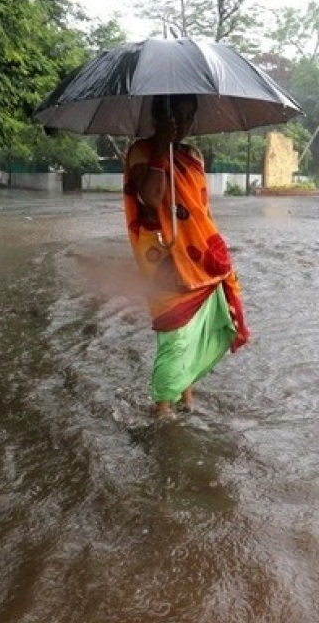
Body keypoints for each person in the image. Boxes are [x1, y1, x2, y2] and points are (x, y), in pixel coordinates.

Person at [123, 94, 250, 419]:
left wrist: (216, 252)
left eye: (188, 116)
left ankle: (186, 401)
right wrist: (161, 149)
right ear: (158, 116)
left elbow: (200, 210)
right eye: (175, 115)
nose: (183, 123)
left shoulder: (193, 156)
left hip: (201, 257)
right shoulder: (141, 151)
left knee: (196, 336)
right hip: (162, 259)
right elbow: (151, 198)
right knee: (175, 336)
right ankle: (163, 411)